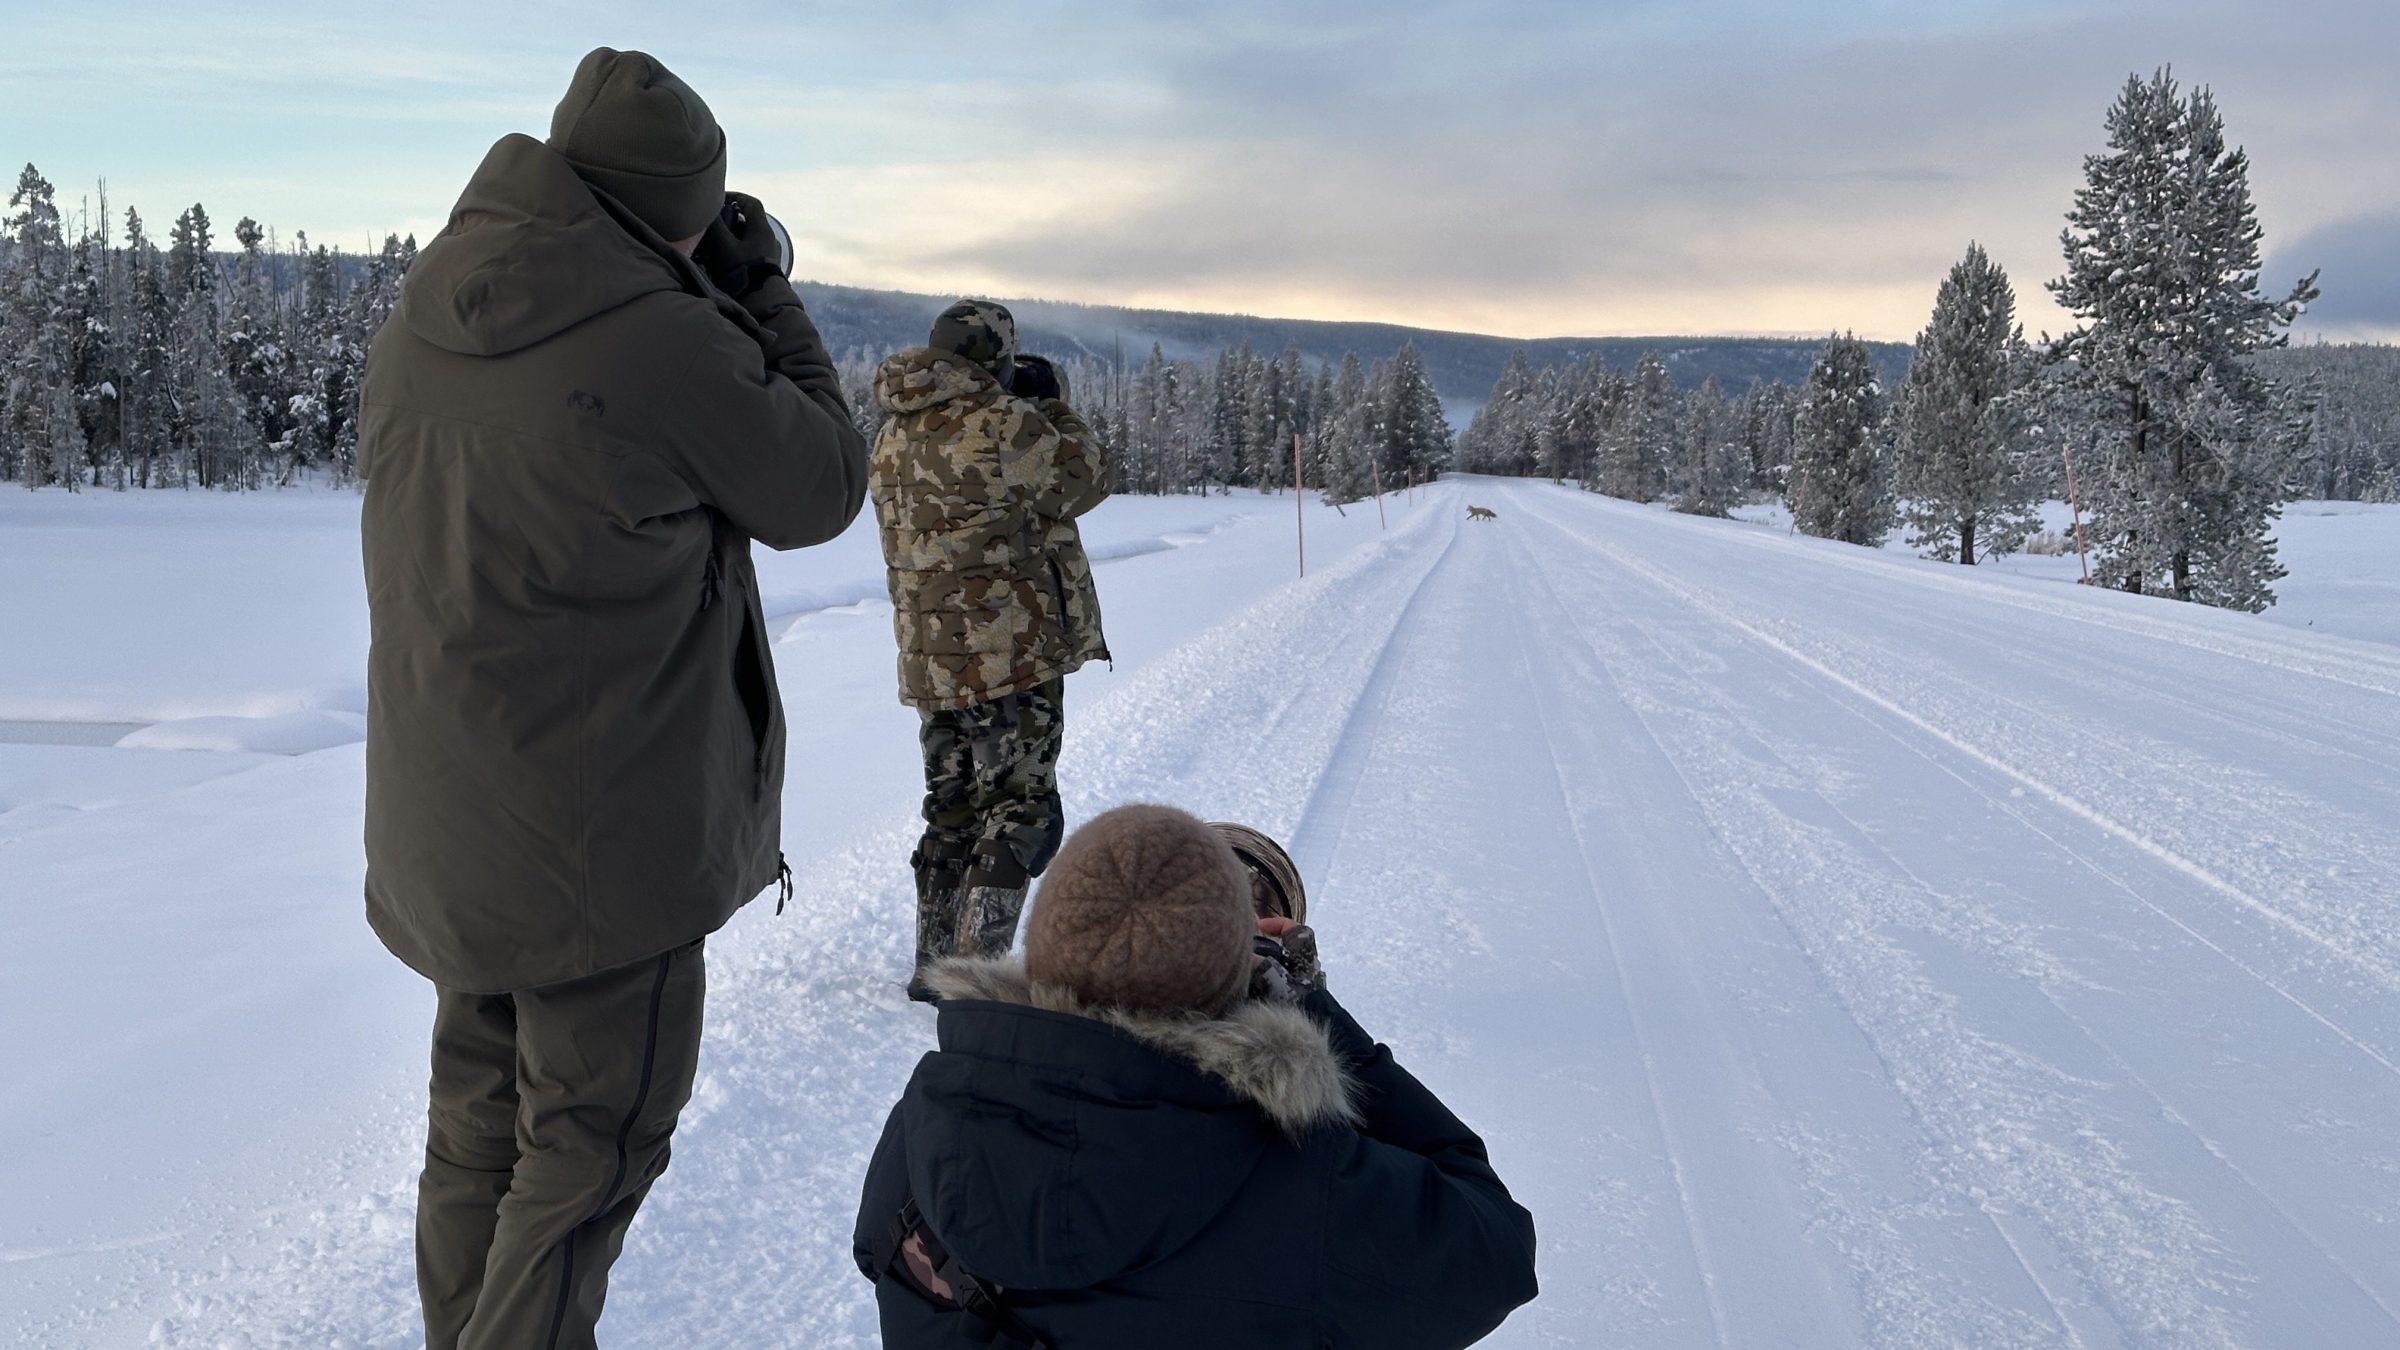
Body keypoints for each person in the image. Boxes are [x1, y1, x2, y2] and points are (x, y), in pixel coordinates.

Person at [357, 46, 868, 1350]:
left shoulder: (435, 301)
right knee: (591, 1151)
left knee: (477, 1133)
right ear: (673, 212)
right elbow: (819, 483)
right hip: (601, 840)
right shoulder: (661, 333)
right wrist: (756, 286)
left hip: (452, 809)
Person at [852, 805, 1540, 1348]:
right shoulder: (1308, 1193)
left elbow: (874, 1255)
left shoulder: (928, 1115)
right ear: (1234, 989)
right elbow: (1495, 1251)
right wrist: (1311, 1017)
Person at [869, 300, 1113, 999]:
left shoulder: (891, 436)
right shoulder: (1007, 424)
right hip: (1011, 655)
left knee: (951, 808)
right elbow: (1089, 476)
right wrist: (1053, 406)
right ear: (996, 359)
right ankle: (974, 977)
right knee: (1019, 809)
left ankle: (931, 965)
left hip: (930, 657)